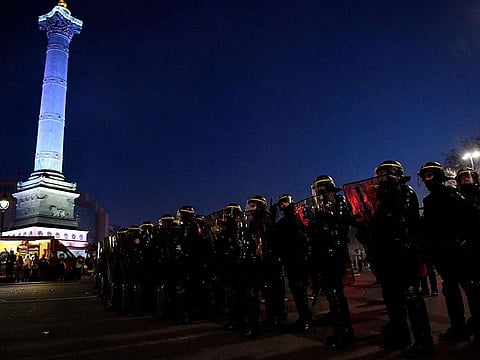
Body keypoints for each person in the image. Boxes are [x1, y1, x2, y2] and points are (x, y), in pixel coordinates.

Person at [366, 161, 435, 357]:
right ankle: (400, 334)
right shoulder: (380, 198)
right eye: (380, 175)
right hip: (386, 254)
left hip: (404, 253)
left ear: (396, 175)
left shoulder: (406, 192)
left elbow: (398, 217)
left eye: (386, 174)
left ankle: (424, 341)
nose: (382, 179)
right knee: (392, 297)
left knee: (412, 297)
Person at [419, 162, 480, 347]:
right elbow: (429, 228)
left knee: (472, 290)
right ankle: (458, 328)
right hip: (444, 254)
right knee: (451, 292)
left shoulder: (453, 195)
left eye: (429, 176)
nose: (426, 180)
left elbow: (473, 218)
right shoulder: (429, 202)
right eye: (424, 176)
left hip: (461, 252)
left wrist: (466, 242)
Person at [308, 176, 355, 349]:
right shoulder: (318, 207)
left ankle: (345, 332)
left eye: (321, 188)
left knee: (336, 293)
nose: (319, 192)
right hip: (323, 253)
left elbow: (343, 223)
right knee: (332, 293)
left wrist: (326, 218)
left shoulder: (339, 202)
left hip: (335, 252)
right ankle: (341, 329)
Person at [273, 194, 312, 333]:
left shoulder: (295, 218)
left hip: (297, 258)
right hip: (291, 259)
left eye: (284, 202)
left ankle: (305, 319)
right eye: (281, 203)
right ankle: (305, 317)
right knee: (297, 289)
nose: (283, 205)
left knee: (299, 288)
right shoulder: (286, 219)